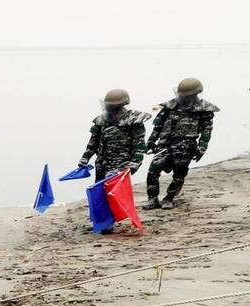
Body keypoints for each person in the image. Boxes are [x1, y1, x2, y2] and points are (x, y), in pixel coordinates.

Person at [143, 78, 220, 210]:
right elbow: (158, 126)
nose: (183, 98)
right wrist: (151, 141)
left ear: (195, 94)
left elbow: (206, 131)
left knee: (179, 176)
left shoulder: (204, 110)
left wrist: (202, 147)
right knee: (153, 171)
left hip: (186, 147)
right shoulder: (169, 106)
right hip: (164, 145)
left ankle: (169, 198)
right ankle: (153, 199)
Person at [78, 89, 151, 182]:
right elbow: (93, 143)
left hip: (122, 166)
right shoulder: (101, 121)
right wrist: (85, 158)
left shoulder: (133, 121)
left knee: (117, 195)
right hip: (101, 165)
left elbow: (139, 146)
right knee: (101, 192)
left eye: (114, 107)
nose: (112, 111)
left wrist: (134, 164)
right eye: (110, 107)